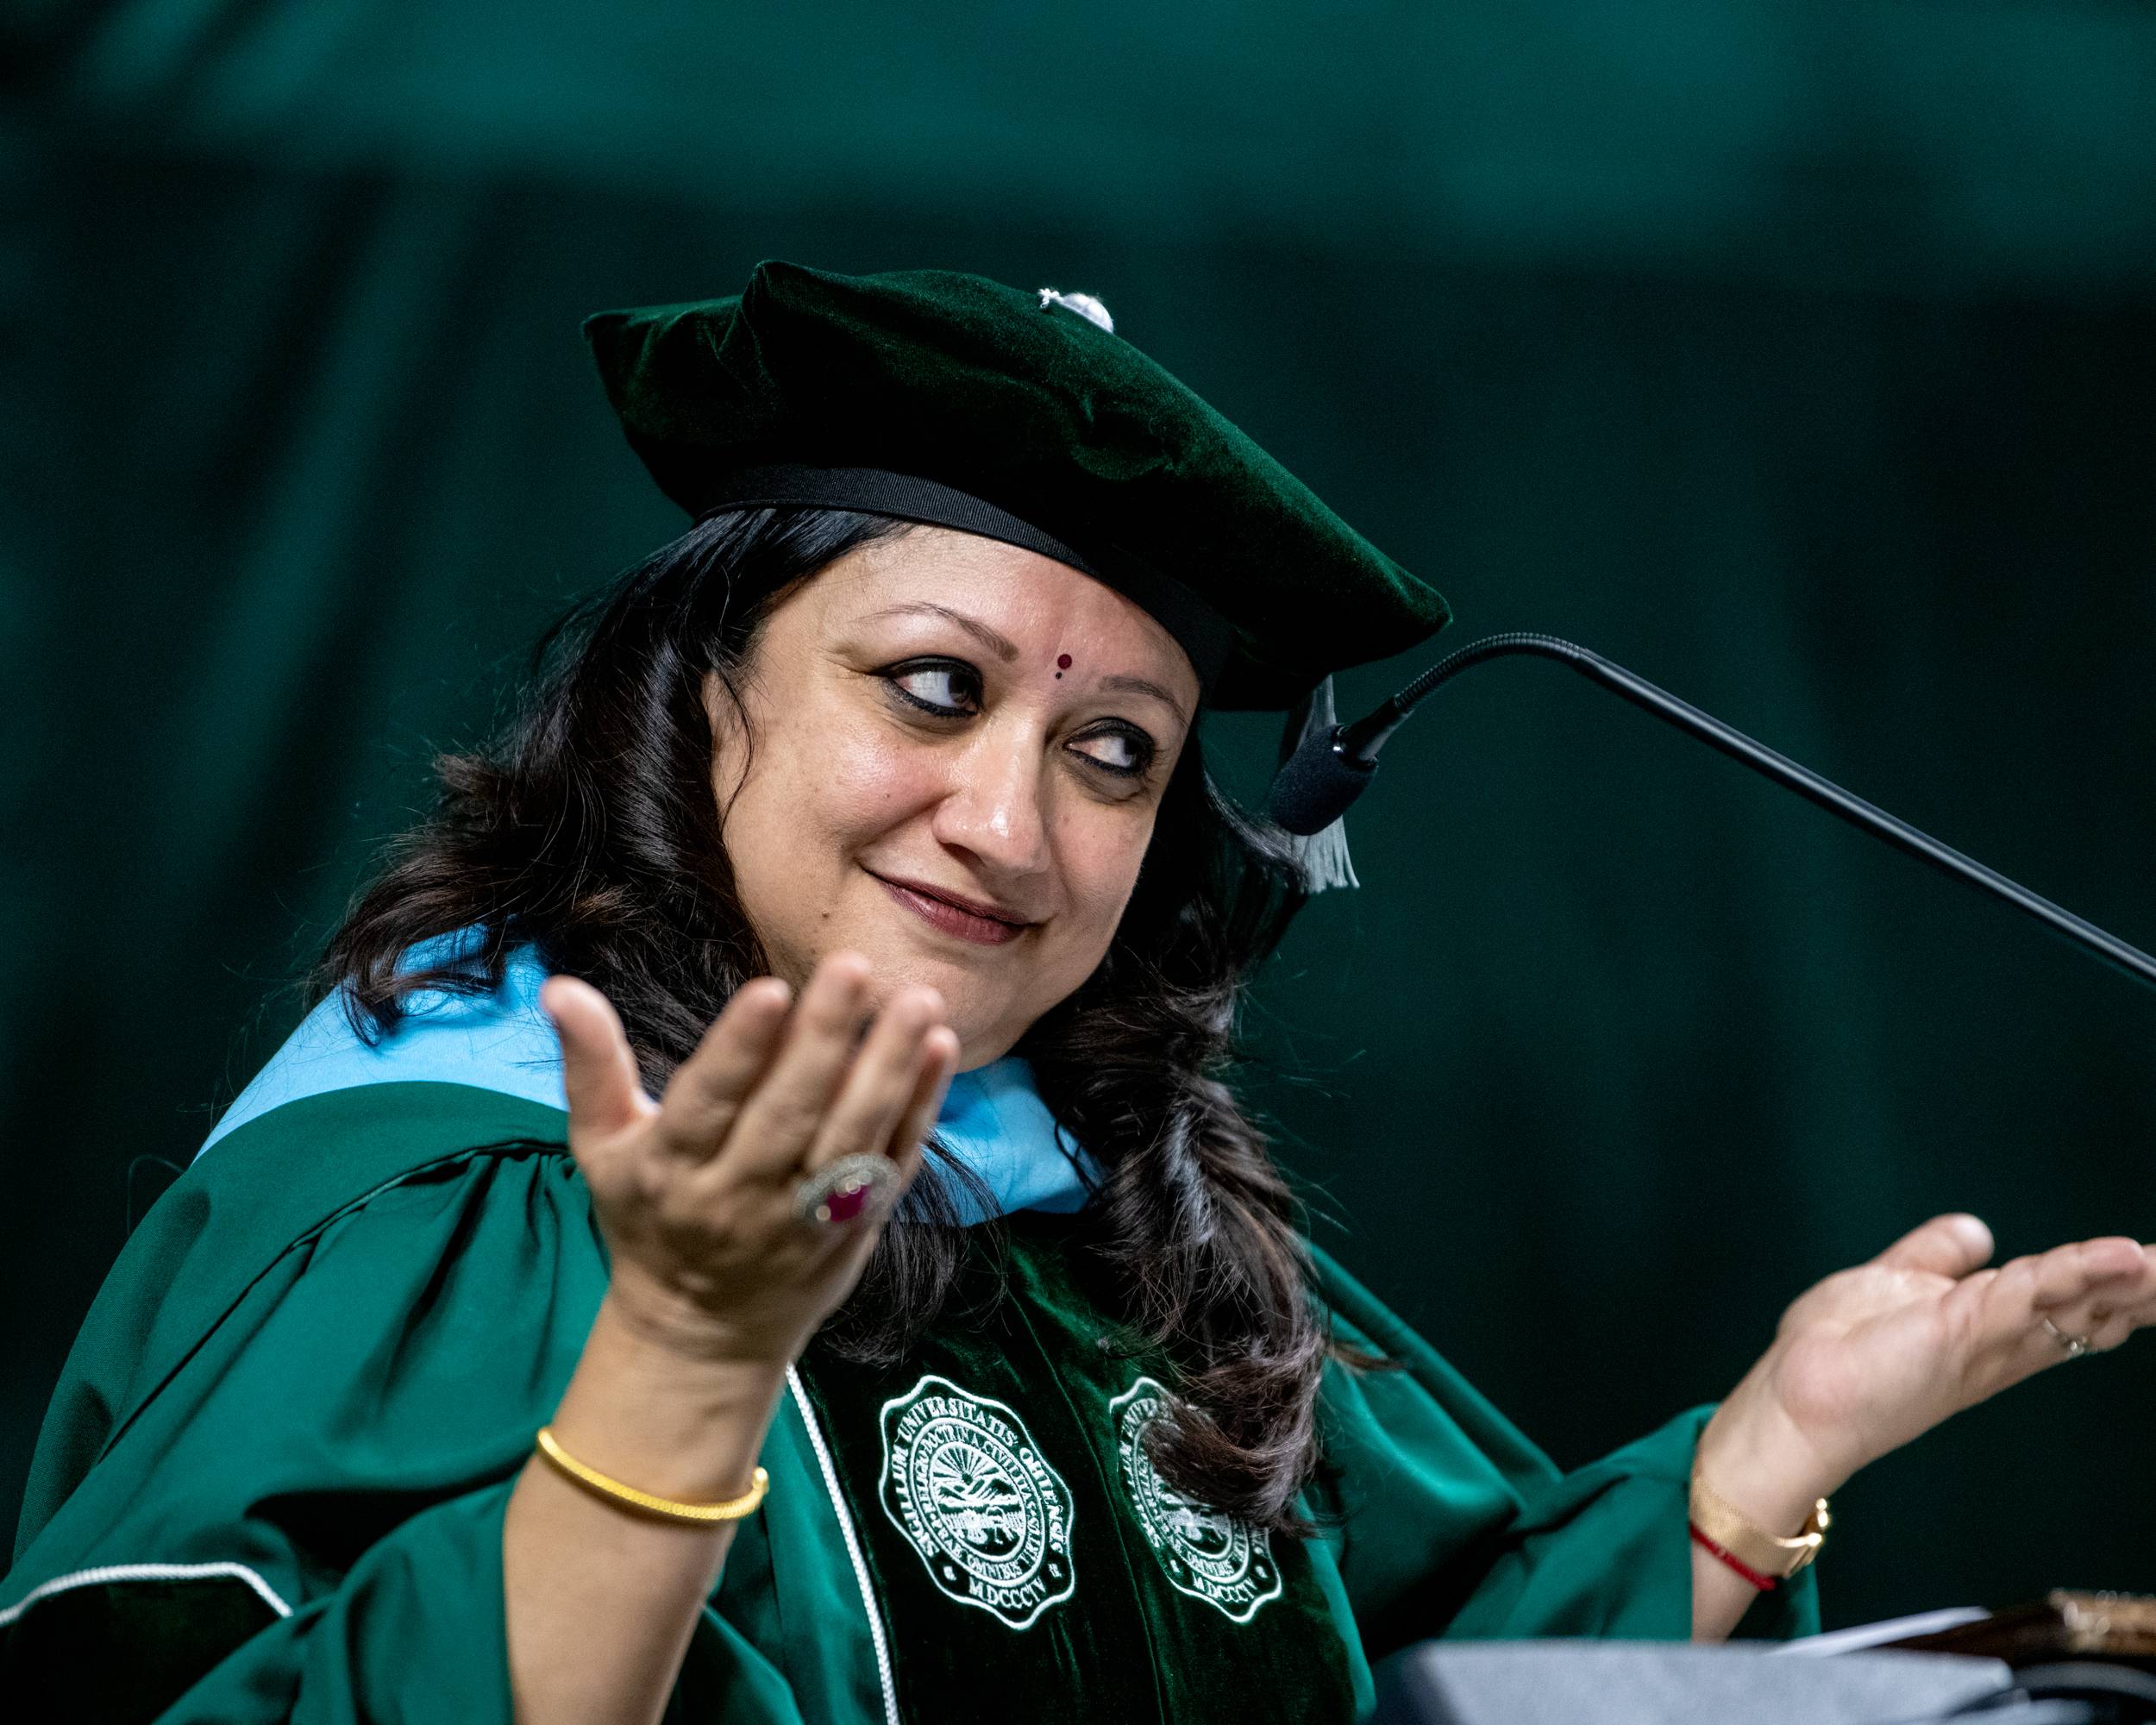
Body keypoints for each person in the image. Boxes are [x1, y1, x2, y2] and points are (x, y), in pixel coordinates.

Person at [3, 262, 2152, 1725]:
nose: (1009, 827)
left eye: (1112, 750)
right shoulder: (450, 1205)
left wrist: (1751, 1464)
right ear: (692, 706)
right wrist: (673, 1354)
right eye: (926, 691)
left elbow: (1409, 1684)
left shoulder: (1119, 1246)